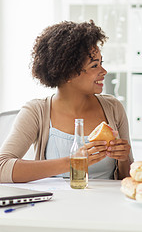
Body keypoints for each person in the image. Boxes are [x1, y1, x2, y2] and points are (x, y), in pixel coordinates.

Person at [0, 21, 133, 183]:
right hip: (55, 205)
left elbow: (126, 180)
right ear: (69, 73)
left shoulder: (113, 108)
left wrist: (124, 159)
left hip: (106, 205)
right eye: (94, 66)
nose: (104, 71)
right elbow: (2, 167)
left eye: (101, 63)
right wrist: (73, 162)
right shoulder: (36, 111)